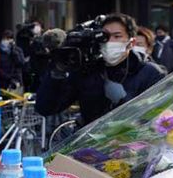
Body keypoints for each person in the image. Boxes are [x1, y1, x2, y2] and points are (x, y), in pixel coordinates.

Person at [36, 13, 166, 125]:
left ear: (131, 43)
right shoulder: (88, 70)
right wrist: (57, 72)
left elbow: (159, 118)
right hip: (89, 149)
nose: (110, 42)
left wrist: (123, 101)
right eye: (105, 36)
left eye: (117, 36)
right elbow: (46, 108)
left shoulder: (150, 73)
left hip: (134, 148)